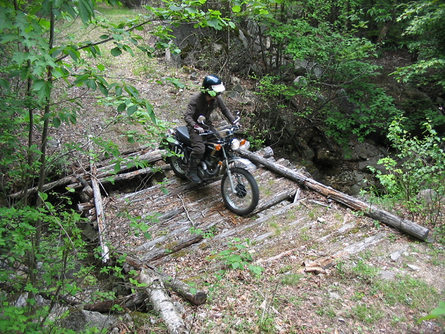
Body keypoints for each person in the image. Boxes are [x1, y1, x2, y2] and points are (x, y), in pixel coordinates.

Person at [184, 74, 236, 183]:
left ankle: (211, 163)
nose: (218, 94)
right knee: (200, 149)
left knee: (219, 143)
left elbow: (225, 110)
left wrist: (233, 121)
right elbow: (187, 116)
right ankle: (191, 171)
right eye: (216, 92)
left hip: (206, 125)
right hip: (194, 127)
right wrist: (195, 126)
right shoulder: (196, 99)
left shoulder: (217, 99)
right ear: (208, 90)